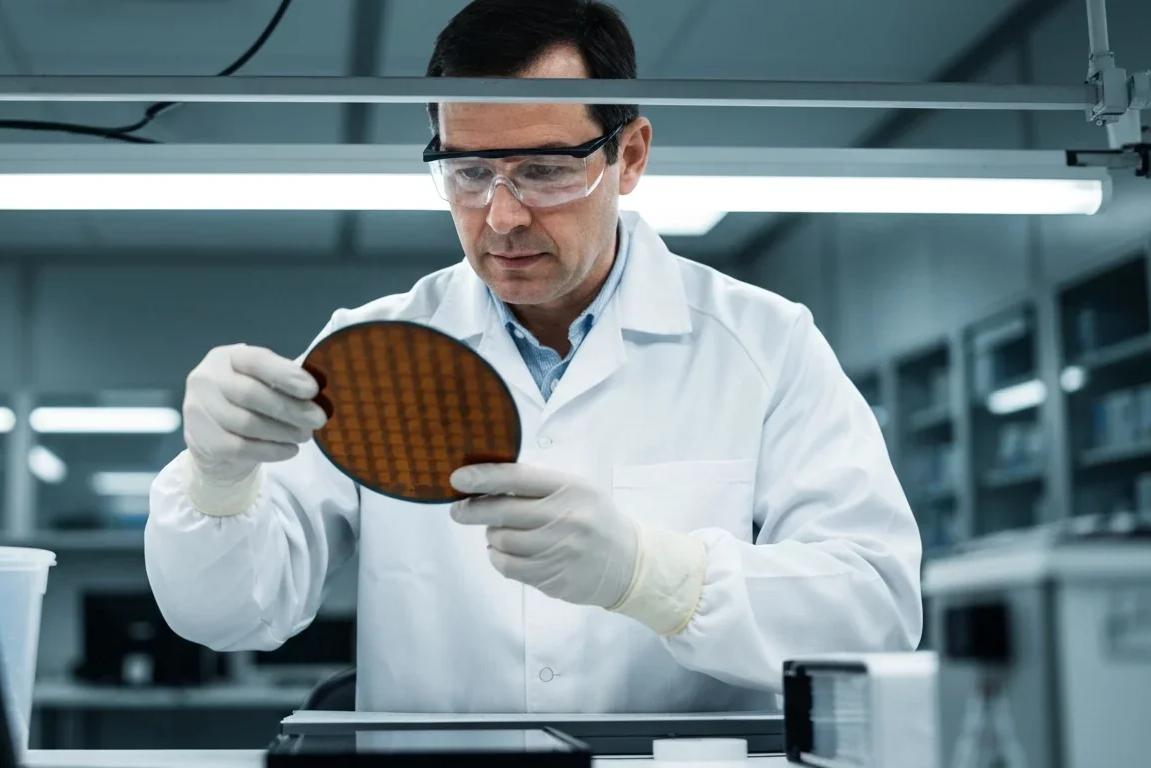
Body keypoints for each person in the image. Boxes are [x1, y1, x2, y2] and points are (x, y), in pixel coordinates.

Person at [145, 0, 922, 713]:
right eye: (469, 172)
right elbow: (230, 615)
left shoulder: (765, 343)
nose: (503, 216)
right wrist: (219, 481)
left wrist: (655, 577)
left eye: (546, 171)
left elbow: (877, 614)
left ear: (631, 156)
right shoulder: (374, 351)